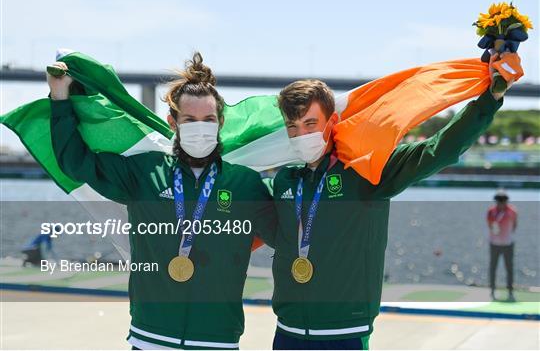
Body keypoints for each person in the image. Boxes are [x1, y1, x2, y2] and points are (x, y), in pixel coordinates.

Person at [270, 53, 513, 350]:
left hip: (345, 332)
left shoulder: (366, 170)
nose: (301, 135)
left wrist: (491, 98)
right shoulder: (285, 180)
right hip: (286, 332)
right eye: (292, 127)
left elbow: (437, 150)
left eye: (310, 123)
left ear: (332, 121)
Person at [48, 52, 276, 350]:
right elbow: (76, 162)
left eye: (208, 119)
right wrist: (60, 96)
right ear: (173, 122)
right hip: (151, 337)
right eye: (190, 119)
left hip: (218, 339)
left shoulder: (245, 183)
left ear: (220, 122)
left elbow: (284, 231)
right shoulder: (145, 171)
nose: (201, 127)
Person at [487, 189, 517, 302]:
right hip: (494, 244)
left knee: (509, 268)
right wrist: (495, 230)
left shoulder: (512, 211)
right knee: (493, 267)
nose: (501, 202)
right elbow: (490, 225)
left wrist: (506, 235)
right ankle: (492, 290)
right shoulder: (491, 211)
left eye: (503, 200)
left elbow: (514, 225)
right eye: (499, 200)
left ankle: (510, 291)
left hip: (508, 244)